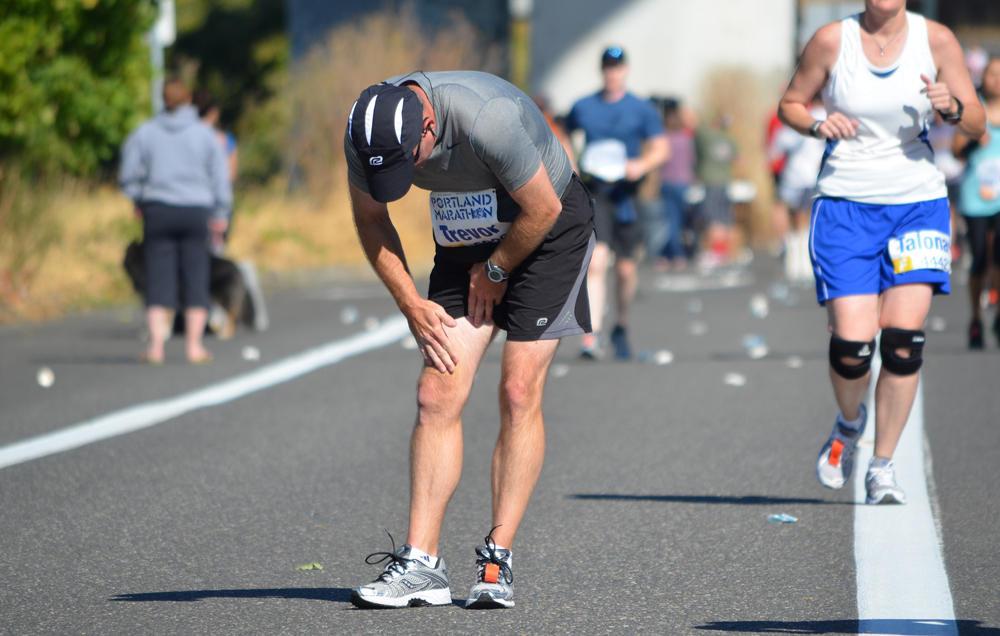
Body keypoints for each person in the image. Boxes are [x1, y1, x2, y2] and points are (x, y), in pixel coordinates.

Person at [343, 71, 594, 609]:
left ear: (429, 126)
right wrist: (410, 302)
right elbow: (370, 217)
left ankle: (497, 557)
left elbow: (544, 208)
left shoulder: (486, 119)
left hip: (546, 229)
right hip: (464, 237)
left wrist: (498, 271)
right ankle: (421, 564)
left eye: (412, 163)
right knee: (437, 392)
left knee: (518, 390)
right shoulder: (366, 130)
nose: (407, 175)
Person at [779, 0, 983, 504]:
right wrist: (815, 125)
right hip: (845, 202)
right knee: (852, 346)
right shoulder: (832, 40)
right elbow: (790, 104)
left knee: (902, 342)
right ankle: (850, 424)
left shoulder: (935, 40)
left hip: (917, 203)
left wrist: (952, 108)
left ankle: (882, 466)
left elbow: (976, 121)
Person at [564, 46, 668, 360]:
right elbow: (562, 134)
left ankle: (620, 324)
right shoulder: (584, 106)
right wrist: (572, 162)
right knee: (596, 261)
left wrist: (642, 164)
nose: (613, 73)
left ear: (625, 70)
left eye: (618, 67)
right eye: (608, 67)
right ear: (602, 71)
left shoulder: (641, 109)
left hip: (626, 194)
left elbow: (661, 148)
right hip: (596, 192)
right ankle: (590, 337)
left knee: (625, 269)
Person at [119, 78, 232, 364]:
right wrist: (221, 213)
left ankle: (156, 347)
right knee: (196, 275)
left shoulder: (146, 132)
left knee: (158, 276)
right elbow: (220, 178)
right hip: (196, 210)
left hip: (158, 210)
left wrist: (139, 199)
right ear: (189, 100)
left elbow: (128, 175)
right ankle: (194, 347)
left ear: (163, 99)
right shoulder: (204, 135)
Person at [953, 56, 1000, 348]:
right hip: (977, 198)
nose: (997, 79)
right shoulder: (974, 111)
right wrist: (974, 140)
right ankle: (975, 318)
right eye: (992, 74)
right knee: (980, 258)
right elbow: (957, 151)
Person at [771, 101, 827, 283]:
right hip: (811, 176)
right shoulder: (823, 114)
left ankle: (798, 262)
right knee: (805, 219)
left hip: (799, 177)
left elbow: (777, 147)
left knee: (800, 219)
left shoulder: (809, 117)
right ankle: (802, 262)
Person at [694, 113, 739, 269]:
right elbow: (738, 160)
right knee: (725, 218)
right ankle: (725, 253)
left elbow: (696, 130)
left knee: (713, 219)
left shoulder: (706, 136)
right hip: (725, 181)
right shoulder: (729, 139)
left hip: (711, 181)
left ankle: (716, 253)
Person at [657, 98, 695, 271]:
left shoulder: (664, 138)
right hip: (683, 182)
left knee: (671, 221)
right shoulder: (685, 139)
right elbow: (691, 160)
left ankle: (671, 255)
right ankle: (677, 254)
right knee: (680, 221)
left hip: (667, 181)